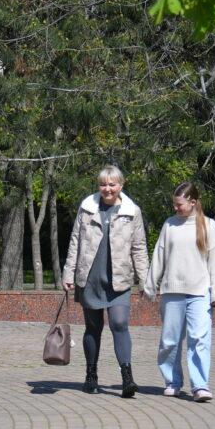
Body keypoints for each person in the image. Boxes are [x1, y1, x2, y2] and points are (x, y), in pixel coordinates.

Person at [62, 165, 149, 397]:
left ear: (121, 185)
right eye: (103, 184)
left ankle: (127, 377)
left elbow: (139, 247)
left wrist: (144, 279)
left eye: (112, 184)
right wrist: (68, 273)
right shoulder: (87, 208)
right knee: (93, 328)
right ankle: (91, 376)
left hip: (119, 279)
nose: (107, 189)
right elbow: (75, 241)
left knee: (119, 323)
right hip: (90, 277)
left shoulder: (132, 211)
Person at [144, 182, 215, 402]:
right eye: (174, 204)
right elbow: (159, 256)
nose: (175, 208)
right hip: (172, 291)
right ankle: (172, 381)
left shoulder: (209, 226)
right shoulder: (170, 225)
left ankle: (200, 386)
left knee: (199, 339)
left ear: (193, 202)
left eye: (179, 204)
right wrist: (150, 286)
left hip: (200, 292)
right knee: (170, 341)